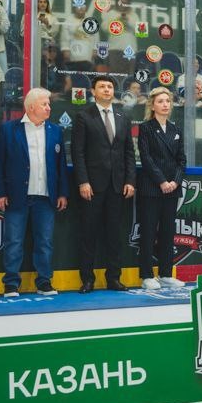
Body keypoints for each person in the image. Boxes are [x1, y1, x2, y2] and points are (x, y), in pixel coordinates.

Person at [0, 87, 69, 296]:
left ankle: (44, 282)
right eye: (45, 104)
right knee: (14, 241)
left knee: (45, 242)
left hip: (46, 196)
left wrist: (62, 193)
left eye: (49, 104)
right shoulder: (9, 129)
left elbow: (61, 165)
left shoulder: (55, 130)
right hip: (16, 195)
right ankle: (11, 283)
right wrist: (0, 193)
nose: (49, 107)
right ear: (31, 107)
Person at [72, 75, 136, 293]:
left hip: (117, 186)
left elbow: (129, 152)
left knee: (114, 235)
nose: (107, 90)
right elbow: (78, 153)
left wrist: (130, 180)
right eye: (102, 87)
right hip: (92, 186)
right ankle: (87, 280)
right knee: (88, 234)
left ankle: (114, 278)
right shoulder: (83, 116)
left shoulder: (122, 117)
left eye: (110, 86)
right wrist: (83, 181)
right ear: (93, 91)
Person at [136, 87, 187, 290]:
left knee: (168, 232)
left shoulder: (176, 129)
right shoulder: (146, 128)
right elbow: (146, 158)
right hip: (152, 188)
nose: (165, 104)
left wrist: (175, 181)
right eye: (160, 101)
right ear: (152, 105)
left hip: (172, 189)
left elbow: (181, 160)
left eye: (167, 101)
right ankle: (146, 275)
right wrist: (162, 181)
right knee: (148, 232)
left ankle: (166, 274)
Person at [59, 4, 94, 74]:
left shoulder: (91, 20)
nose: (80, 8)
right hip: (73, 54)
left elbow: (95, 36)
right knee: (73, 75)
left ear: (86, 8)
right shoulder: (68, 20)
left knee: (86, 76)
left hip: (87, 54)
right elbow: (64, 37)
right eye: (78, 6)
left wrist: (95, 49)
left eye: (83, 7)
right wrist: (65, 49)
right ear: (74, 8)